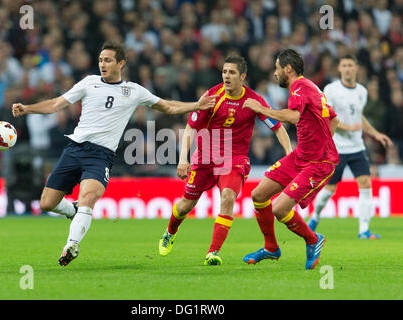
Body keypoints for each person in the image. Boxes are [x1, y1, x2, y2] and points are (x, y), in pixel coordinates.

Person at [12, 41, 217, 267]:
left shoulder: (134, 91)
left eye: (108, 60)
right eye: (101, 60)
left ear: (121, 63)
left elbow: (168, 106)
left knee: (88, 197)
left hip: (100, 155)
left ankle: (71, 245)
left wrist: (196, 106)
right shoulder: (89, 83)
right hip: (75, 148)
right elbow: (56, 104)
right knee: (47, 203)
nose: (103, 64)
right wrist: (27, 108)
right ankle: (72, 211)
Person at [158, 55, 292, 265]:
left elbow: (278, 128)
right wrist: (183, 159)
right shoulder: (212, 96)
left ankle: (213, 253)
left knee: (228, 197)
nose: (226, 76)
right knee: (185, 205)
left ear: (243, 76)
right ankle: (169, 232)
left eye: (231, 73)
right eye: (224, 72)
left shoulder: (254, 100)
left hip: (234, 160)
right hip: (204, 158)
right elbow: (191, 128)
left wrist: (290, 156)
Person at [241, 49, 340, 270]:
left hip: (318, 163)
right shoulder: (312, 87)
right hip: (301, 155)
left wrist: (261, 108)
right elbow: (334, 119)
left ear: (288, 68)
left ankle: (313, 240)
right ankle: (271, 247)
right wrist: (320, 142)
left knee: (279, 209)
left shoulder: (300, 87)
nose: (275, 74)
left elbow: (294, 117)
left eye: (277, 68)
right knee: (258, 194)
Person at [308, 55, 393, 239]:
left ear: (356, 68)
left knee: (365, 184)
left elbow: (359, 118)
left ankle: (364, 230)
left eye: (350, 65)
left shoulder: (362, 91)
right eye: (344, 65)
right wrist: (347, 127)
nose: (347, 69)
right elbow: (326, 118)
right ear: (339, 68)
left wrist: (376, 134)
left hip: (357, 147)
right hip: (337, 148)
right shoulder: (331, 90)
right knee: (330, 189)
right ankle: (314, 217)